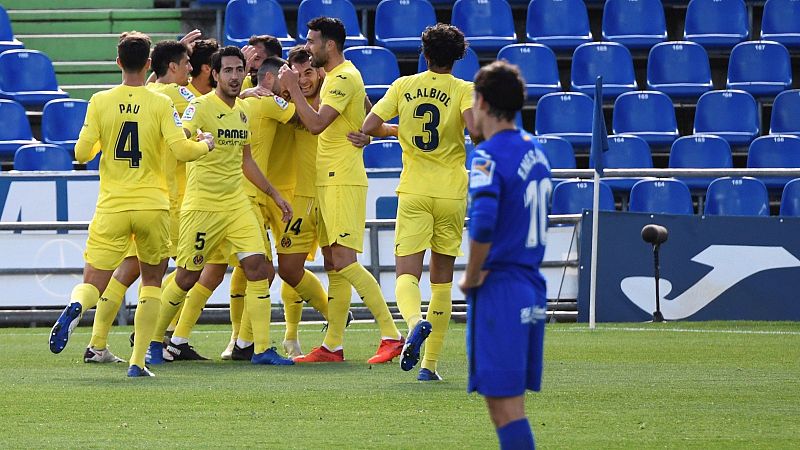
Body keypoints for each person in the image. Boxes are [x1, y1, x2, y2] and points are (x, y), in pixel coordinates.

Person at [48, 31, 214, 378]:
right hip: (154, 205)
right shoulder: (160, 103)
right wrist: (206, 146)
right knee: (152, 282)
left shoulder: (100, 100)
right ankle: (138, 363)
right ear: (149, 64)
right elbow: (182, 150)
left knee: (95, 280)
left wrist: (100, 147)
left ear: (118, 62)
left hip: (113, 205)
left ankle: (79, 304)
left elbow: (80, 153)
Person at [152, 45, 295, 366]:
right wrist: (197, 143)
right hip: (203, 206)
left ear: (246, 73)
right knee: (188, 276)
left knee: (261, 269)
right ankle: (153, 340)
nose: (234, 76)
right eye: (227, 70)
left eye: (238, 70)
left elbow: (247, 162)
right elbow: (180, 139)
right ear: (214, 74)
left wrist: (275, 194)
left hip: (237, 205)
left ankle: (259, 349)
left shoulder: (242, 112)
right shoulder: (200, 107)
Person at [279, 17, 404, 363]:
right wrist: (386, 132)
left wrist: (290, 86)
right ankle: (333, 345)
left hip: (342, 178)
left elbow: (317, 124)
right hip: (330, 178)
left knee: (345, 261)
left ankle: (392, 334)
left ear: (329, 45)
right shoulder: (343, 77)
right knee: (335, 262)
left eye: (312, 41)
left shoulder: (342, 78)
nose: (308, 46)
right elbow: (366, 118)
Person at [361, 23, 476, 381]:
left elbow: (369, 125)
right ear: (458, 57)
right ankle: (430, 366)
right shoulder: (464, 89)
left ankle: (414, 322)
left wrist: (399, 130)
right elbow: (478, 131)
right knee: (442, 281)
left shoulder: (404, 86)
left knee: (406, 274)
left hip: (413, 191)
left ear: (424, 54)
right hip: (452, 191)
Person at [83, 38, 197, 364]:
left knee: (127, 272)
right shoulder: (176, 96)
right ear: (168, 66)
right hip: (167, 198)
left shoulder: (144, 94)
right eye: (186, 62)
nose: (189, 69)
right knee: (180, 273)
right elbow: (200, 117)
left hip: (124, 198)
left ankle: (98, 341)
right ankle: (154, 342)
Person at [459, 60, 552, 449]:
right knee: (511, 404)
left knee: (504, 406)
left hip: (501, 287)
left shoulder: (486, 156)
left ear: (480, 101)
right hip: (531, 284)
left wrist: (472, 274)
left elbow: (482, 223)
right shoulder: (537, 151)